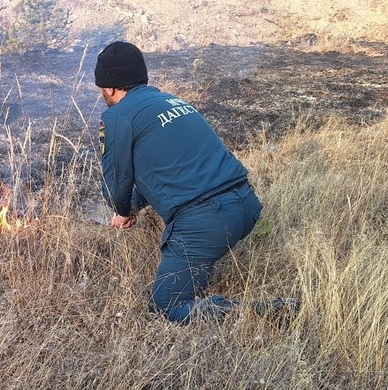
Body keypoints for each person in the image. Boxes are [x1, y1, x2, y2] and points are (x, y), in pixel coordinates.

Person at [95, 41, 266, 324]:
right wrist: (135, 205)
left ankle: (262, 312)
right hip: (246, 205)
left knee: (168, 305)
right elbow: (170, 170)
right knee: (189, 272)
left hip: (206, 221)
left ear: (110, 88)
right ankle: (200, 265)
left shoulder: (117, 117)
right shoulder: (173, 102)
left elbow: (117, 181)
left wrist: (122, 211)